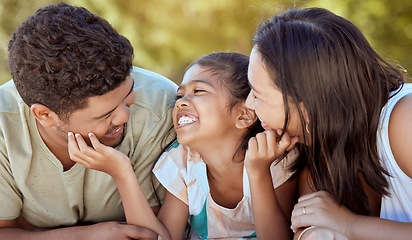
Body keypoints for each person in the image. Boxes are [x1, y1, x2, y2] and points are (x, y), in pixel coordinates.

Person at [69, 52, 300, 239]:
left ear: (244, 115)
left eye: (198, 91)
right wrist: (121, 172)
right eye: (179, 96)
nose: (181, 103)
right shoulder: (183, 163)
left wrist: (258, 172)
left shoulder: (274, 159)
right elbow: (158, 238)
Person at [0, 2, 177, 239]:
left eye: (128, 95)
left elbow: (150, 232)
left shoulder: (162, 108)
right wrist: (86, 235)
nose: (124, 115)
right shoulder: (4, 125)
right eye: (105, 114)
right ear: (44, 115)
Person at [245, 7, 412, 240]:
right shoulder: (323, 146)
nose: (248, 104)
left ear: (306, 104)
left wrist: (349, 225)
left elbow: (343, 227)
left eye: (257, 94)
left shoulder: (404, 120)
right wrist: (257, 174)